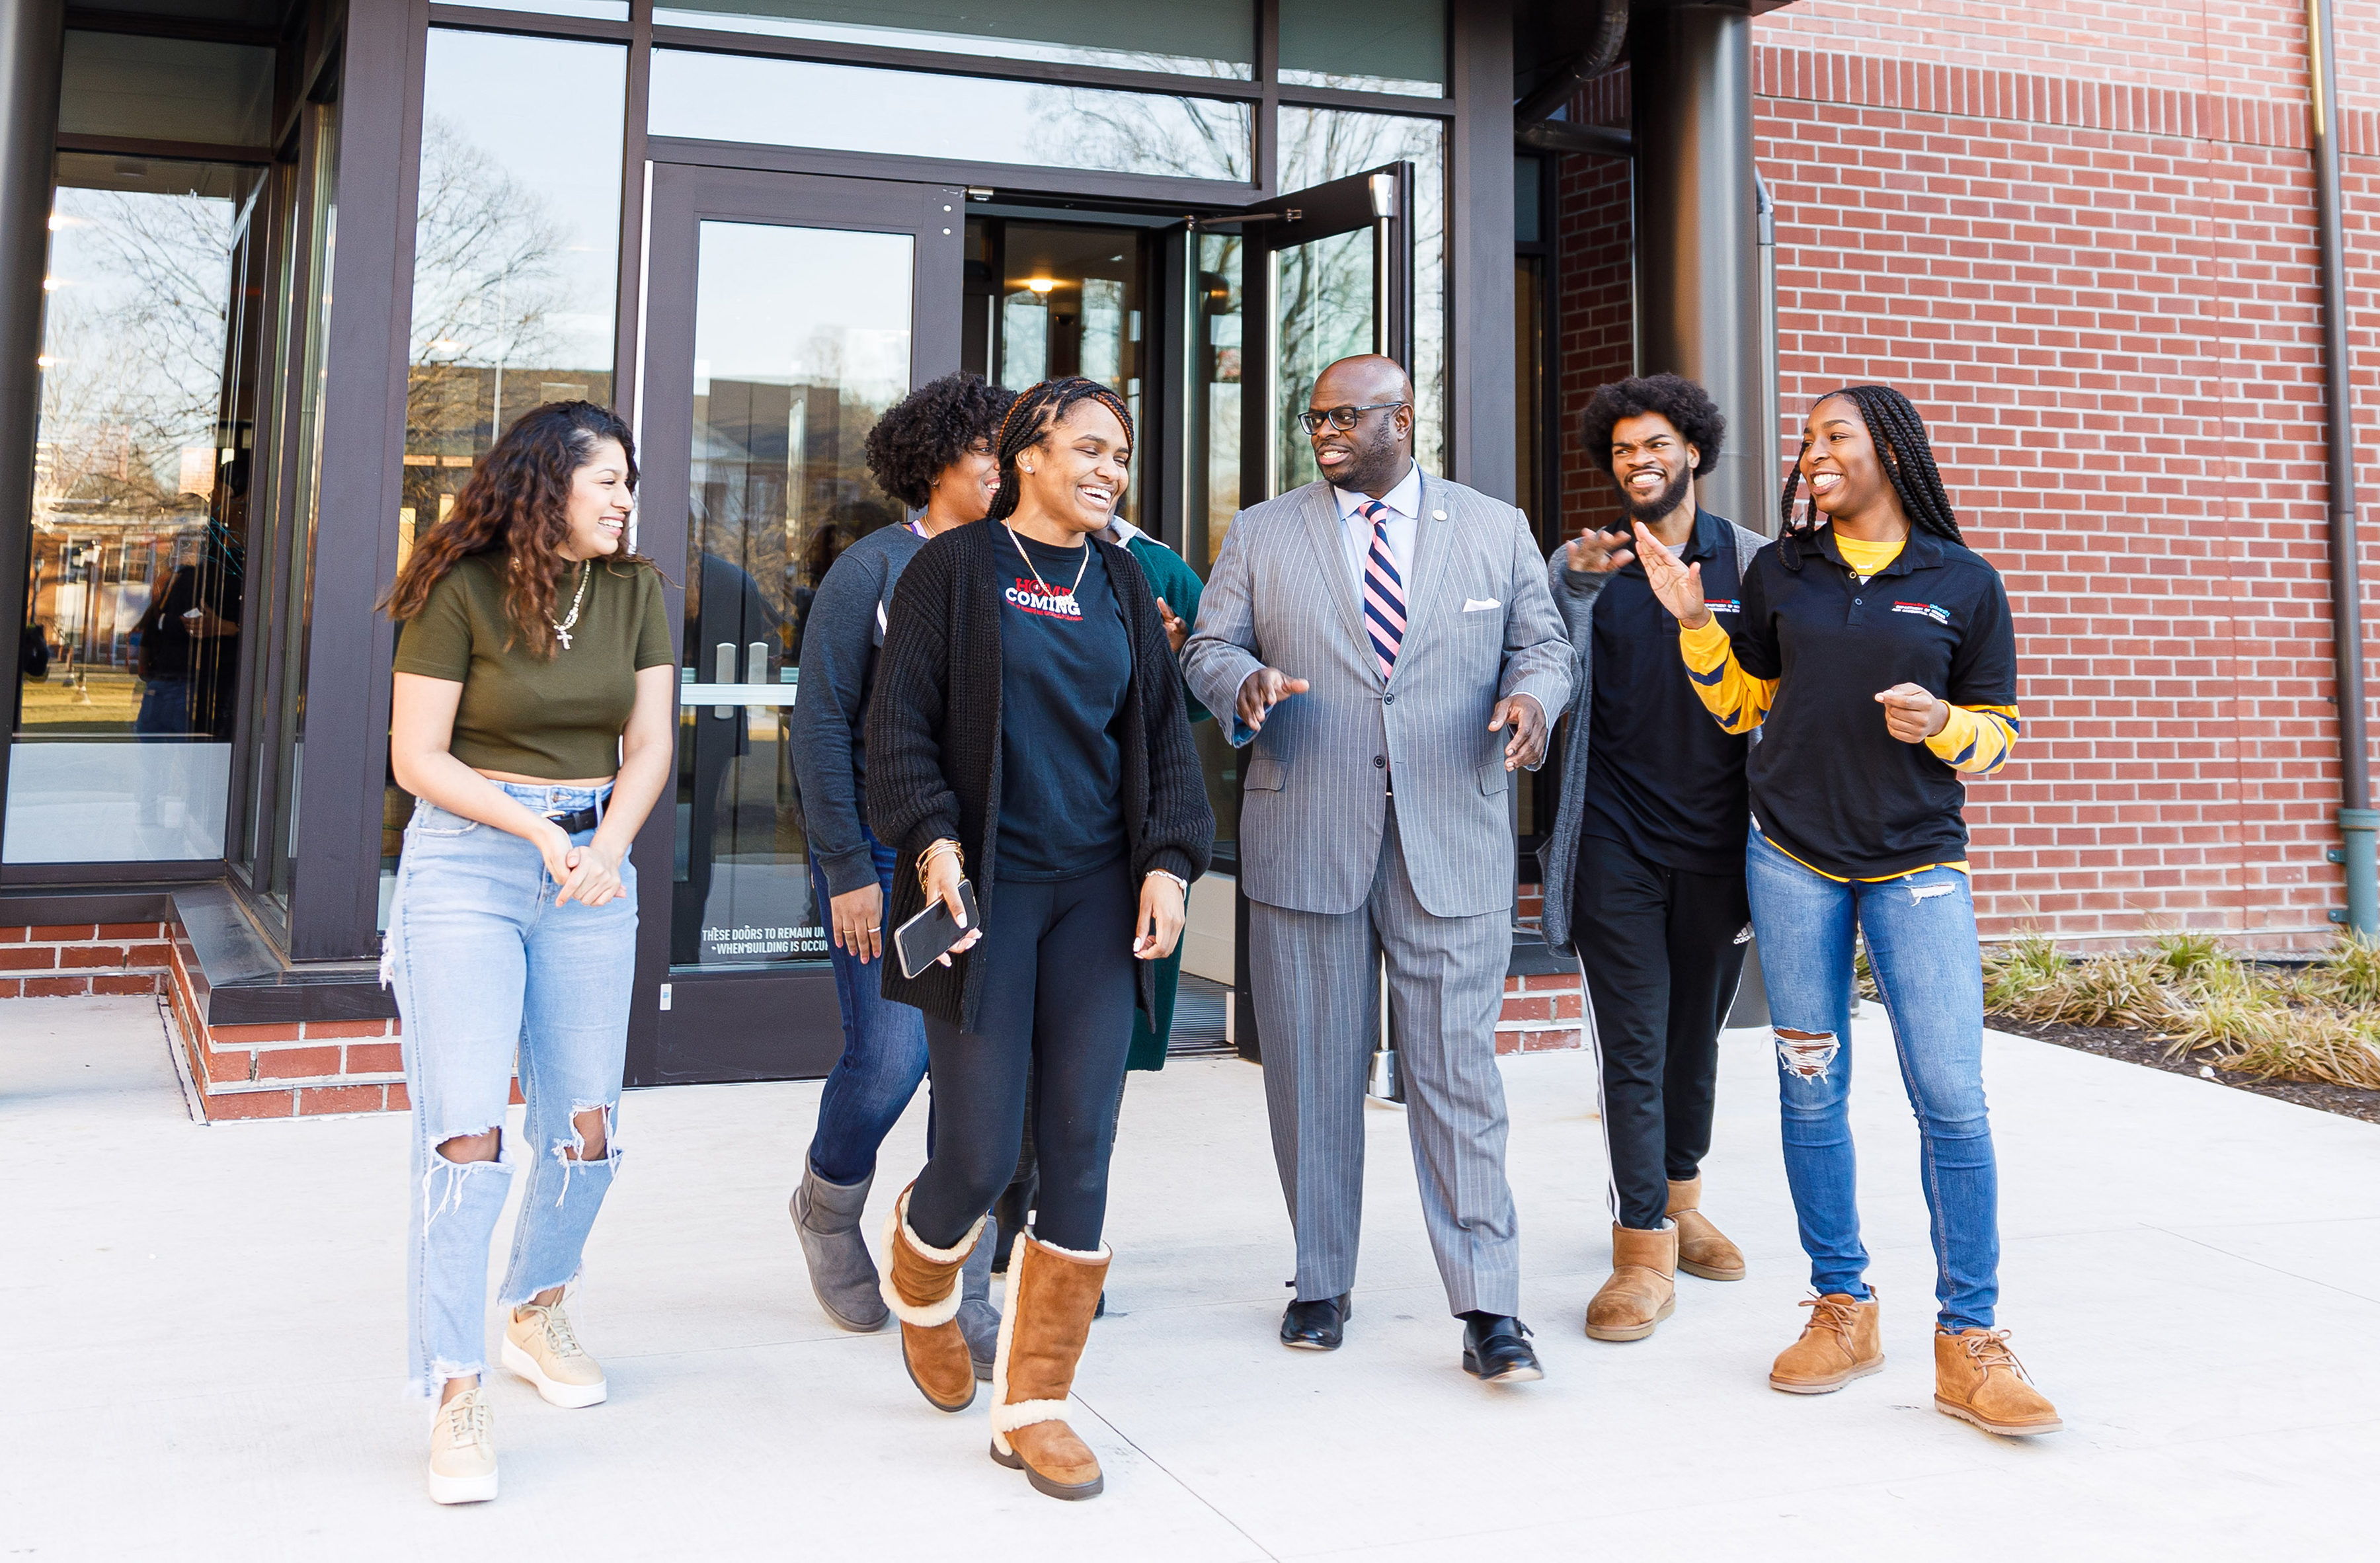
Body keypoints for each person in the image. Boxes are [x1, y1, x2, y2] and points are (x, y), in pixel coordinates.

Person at [1638, 383, 2060, 1436]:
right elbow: (1745, 703)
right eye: (1809, 439)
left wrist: (1944, 723)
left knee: (1951, 1096)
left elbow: (2001, 730)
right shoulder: (1784, 572)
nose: (1814, 453)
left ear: (1893, 453)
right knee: (1810, 1086)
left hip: (1917, 866)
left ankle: (1970, 1339)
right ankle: (1843, 1307)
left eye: (1838, 437)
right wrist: (1697, 625)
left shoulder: (1962, 581)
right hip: (1790, 859)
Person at [1181, 354, 1571, 1384]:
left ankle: (1490, 1304)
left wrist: (1534, 704)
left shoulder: (1496, 529)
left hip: (1456, 841)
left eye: (1345, 418)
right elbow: (1206, 648)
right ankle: (1320, 1278)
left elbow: (1547, 647)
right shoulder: (1266, 530)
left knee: (1458, 1080)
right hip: (1305, 831)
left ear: (1403, 420)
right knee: (1311, 1075)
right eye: (1314, 419)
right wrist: (1244, 681)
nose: (1324, 435)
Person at [865, 376, 1213, 1500]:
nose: (1112, 469)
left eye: (1122, 453)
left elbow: (1159, 736)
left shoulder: (1119, 578)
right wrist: (931, 843)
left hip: (1093, 898)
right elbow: (898, 729)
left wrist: (1168, 859)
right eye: (1091, 449)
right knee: (975, 1153)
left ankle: (1036, 1406)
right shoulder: (952, 571)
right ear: (1026, 455)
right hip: (986, 895)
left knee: (1079, 1142)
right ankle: (922, 1277)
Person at [381, 399, 676, 1503]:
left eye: (628, 486)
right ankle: (456, 1388)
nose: (623, 501)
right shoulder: (458, 589)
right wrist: (539, 831)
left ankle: (537, 1305)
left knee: (587, 1124)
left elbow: (648, 744)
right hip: (470, 860)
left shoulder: (637, 591)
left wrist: (609, 842)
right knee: (466, 1134)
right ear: (548, 484)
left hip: (594, 861)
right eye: (607, 482)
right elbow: (418, 757)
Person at [785, 371, 1013, 1350]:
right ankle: (827, 1208)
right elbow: (823, 719)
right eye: (992, 451)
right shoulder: (874, 571)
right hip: (888, 852)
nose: (1007, 469)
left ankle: (951, 1267)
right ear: (940, 463)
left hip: (1006, 860)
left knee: (984, 1076)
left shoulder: (1036, 564)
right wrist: (843, 866)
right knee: (888, 1062)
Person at [1540, 374, 1766, 1343]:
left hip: (1719, 847)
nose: (1640, 461)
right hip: (1614, 842)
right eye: (1625, 449)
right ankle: (1640, 1250)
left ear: (1695, 454)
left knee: (1693, 1040)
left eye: (1658, 445)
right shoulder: (1585, 563)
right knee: (1633, 1038)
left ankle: (1679, 1198)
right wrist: (1576, 591)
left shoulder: (1756, 566)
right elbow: (1539, 667)